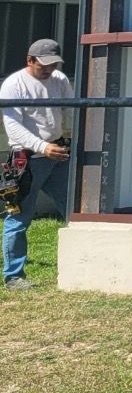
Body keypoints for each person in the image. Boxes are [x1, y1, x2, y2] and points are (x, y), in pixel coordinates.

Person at [1, 39, 73, 290]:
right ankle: (13, 276)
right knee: (18, 218)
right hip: (26, 159)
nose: (49, 69)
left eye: (53, 64)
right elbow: (14, 128)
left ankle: (79, 265)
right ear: (29, 60)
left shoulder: (60, 80)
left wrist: (67, 139)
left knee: (75, 210)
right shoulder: (13, 85)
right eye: (44, 64)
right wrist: (44, 147)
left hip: (58, 153)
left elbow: (68, 112)